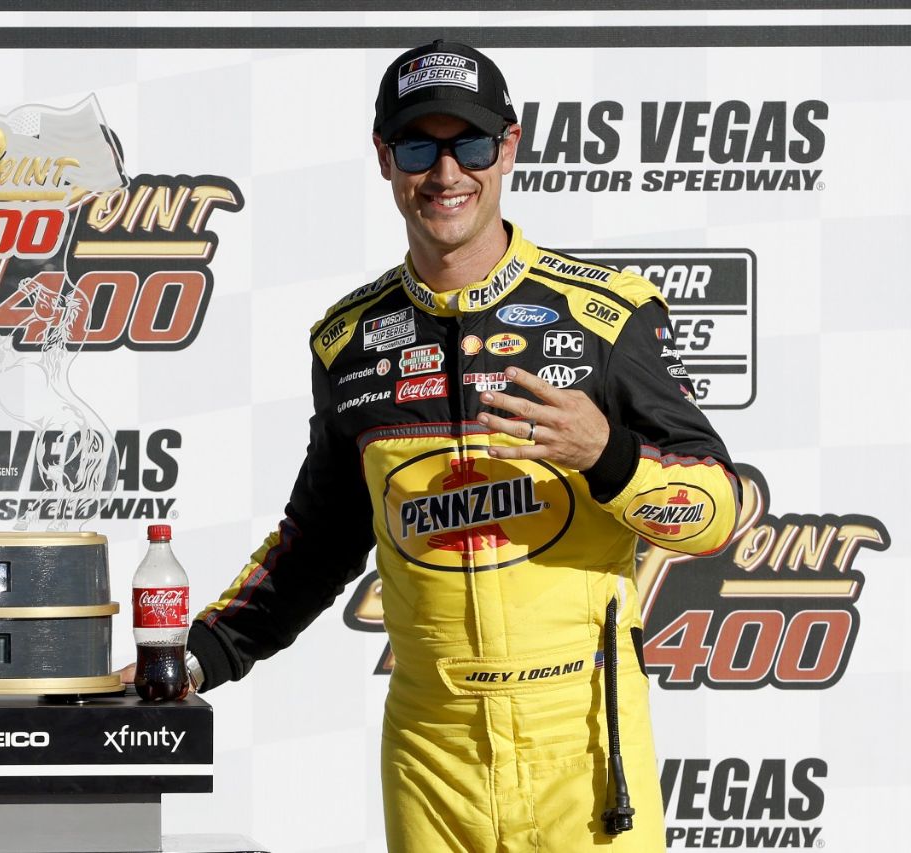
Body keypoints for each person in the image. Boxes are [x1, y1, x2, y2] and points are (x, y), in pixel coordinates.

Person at [179, 40, 741, 851]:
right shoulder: (350, 343)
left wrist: (607, 455)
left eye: (470, 144)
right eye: (419, 146)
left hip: (580, 742)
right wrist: (198, 659)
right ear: (384, 159)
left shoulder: (606, 317)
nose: (446, 175)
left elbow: (716, 513)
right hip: (431, 749)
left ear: (507, 149)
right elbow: (320, 541)